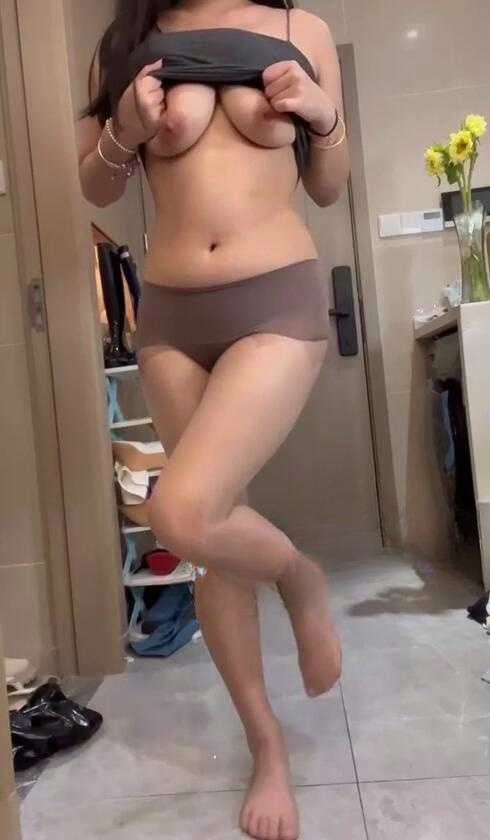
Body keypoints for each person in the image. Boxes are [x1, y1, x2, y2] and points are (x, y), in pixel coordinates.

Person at [78, 1, 350, 838]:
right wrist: (124, 130)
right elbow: (95, 185)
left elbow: (328, 184)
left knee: (184, 510)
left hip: (277, 299)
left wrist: (321, 115)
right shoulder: (126, 41)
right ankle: (267, 746)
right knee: (211, 541)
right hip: (170, 319)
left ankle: (298, 576)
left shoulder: (299, 28)